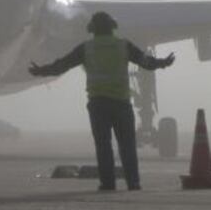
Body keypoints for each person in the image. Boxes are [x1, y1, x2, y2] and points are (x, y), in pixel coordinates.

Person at [29, 11, 175, 191]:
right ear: (113, 27)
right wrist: (163, 63)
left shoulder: (86, 48)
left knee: (103, 146)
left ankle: (107, 183)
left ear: (92, 29)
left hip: (98, 105)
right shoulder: (123, 46)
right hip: (121, 103)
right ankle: (133, 183)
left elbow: (62, 65)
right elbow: (146, 62)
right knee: (127, 146)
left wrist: (41, 71)